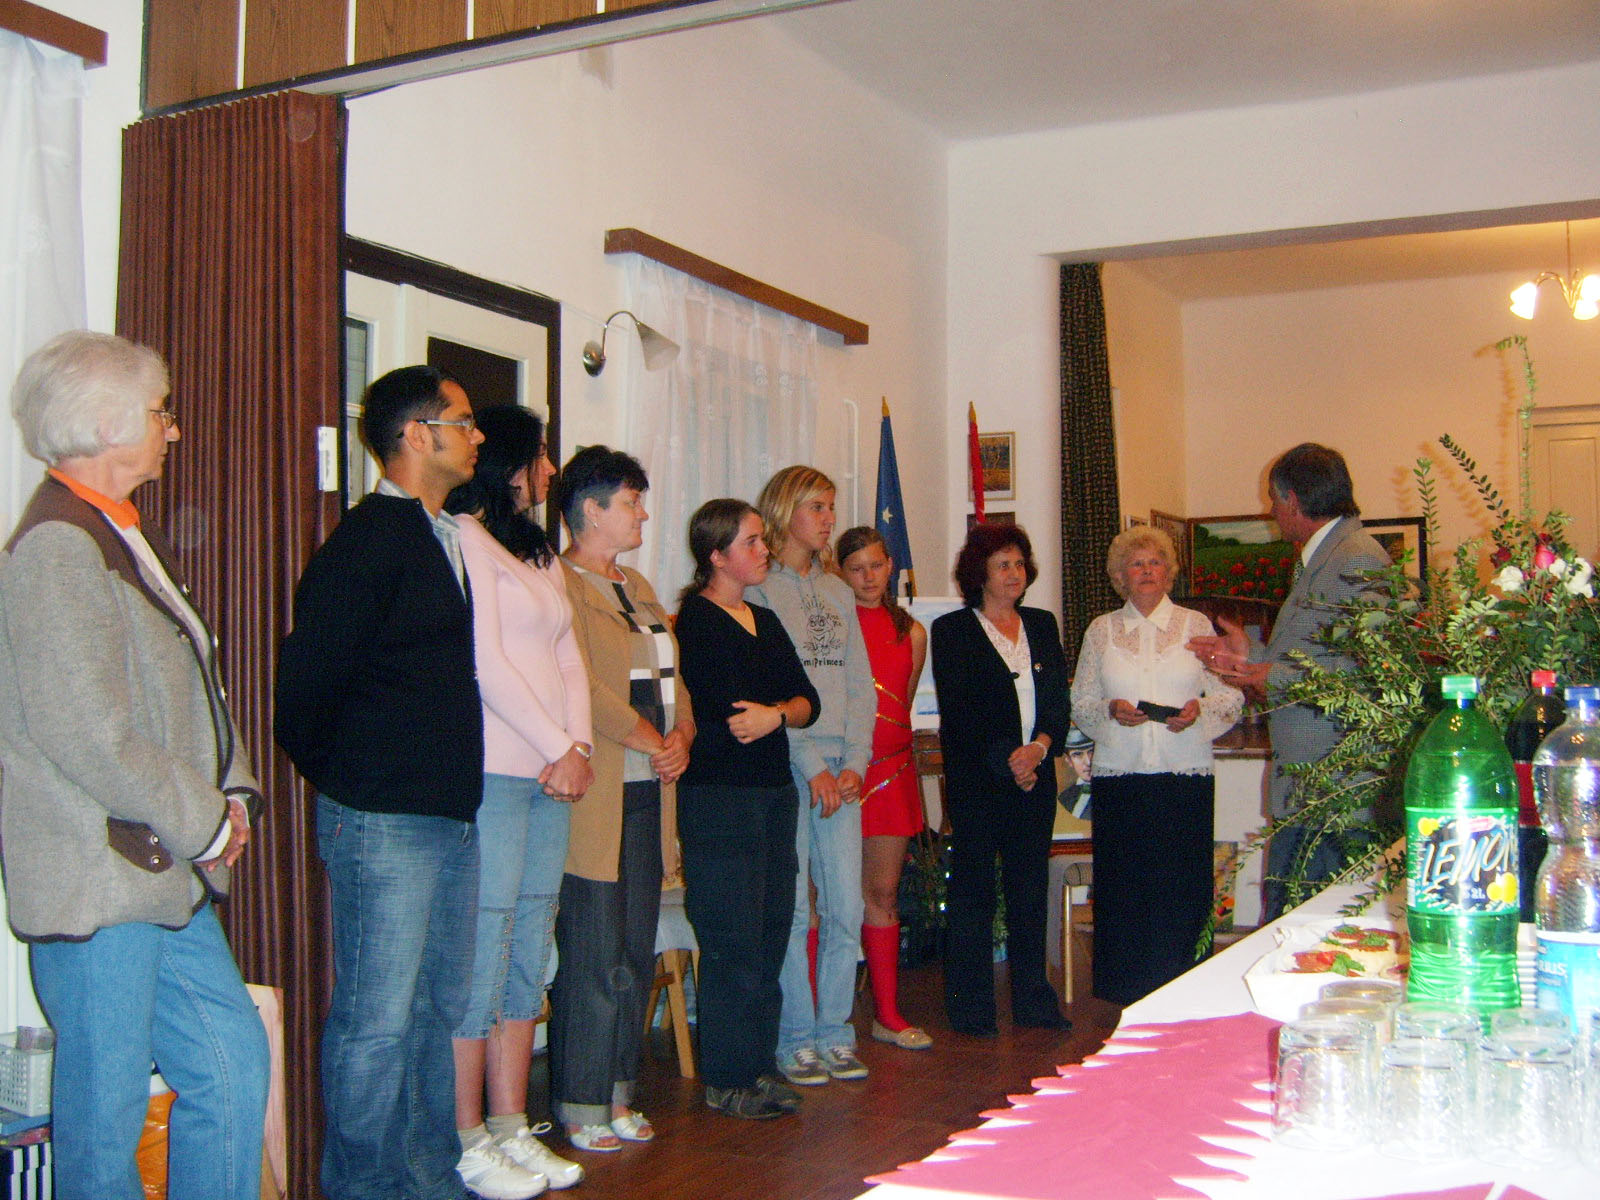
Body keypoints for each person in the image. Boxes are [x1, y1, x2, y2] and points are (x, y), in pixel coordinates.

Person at [0, 332, 268, 1200]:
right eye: (159, 412)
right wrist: (207, 821)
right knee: (104, 1124)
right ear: (107, 424)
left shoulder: (110, 530)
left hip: (157, 871)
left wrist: (233, 796)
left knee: (231, 1067)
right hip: (99, 879)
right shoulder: (57, 545)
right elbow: (88, 734)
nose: (172, 430)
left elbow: (190, 690)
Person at [276, 365, 492, 1200]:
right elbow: (304, 695)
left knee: (437, 1012)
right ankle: (363, 1186)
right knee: (376, 1021)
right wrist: (358, 787)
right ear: (416, 435)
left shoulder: (442, 534)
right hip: (385, 820)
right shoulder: (367, 542)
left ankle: (429, 1176)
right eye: (463, 421)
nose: (477, 436)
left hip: (450, 814)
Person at [442, 406, 589, 1195]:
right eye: (540, 454)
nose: (550, 468)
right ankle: (465, 1136)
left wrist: (580, 748)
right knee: (485, 946)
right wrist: (555, 745)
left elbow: (568, 656)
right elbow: (486, 663)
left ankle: (510, 1124)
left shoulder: (537, 551)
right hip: (499, 773)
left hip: (553, 776)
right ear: (508, 462)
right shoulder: (466, 537)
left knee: (530, 944)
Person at [550, 446, 694, 1151]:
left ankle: (618, 1093)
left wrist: (682, 735)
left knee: (635, 951)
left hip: (650, 792)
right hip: (599, 796)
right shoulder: (560, 582)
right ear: (591, 509)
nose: (642, 514)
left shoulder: (635, 583)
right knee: (594, 954)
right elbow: (578, 683)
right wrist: (648, 737)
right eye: (631, 502)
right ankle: (580, 1104)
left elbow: (673, 678)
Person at [1187, 442, 1390, 920]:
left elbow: (1370, 671)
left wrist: (1268, 673)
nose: (1270, 512)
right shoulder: (1328, 556)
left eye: (1273, 500)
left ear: (1293, 500)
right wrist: (1251, 655)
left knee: (1309, 932)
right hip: (1311, 793)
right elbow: (1321, 660)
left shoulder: (1356, 558)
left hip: (1333, 794)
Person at [675, 500, 819, 1119]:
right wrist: (771, 713)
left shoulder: (764, 617)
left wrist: (776, 715)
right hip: (719, 797)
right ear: (717, 555)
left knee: (770, 931)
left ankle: (759, 1065)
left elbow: (806, 700)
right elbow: (726, 713)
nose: (766, 550)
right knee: (731, 936)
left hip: (772, 793)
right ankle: (728, 1077)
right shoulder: (695, 621)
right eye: (753, 542)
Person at [1070, 526, 1243, 1005]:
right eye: (1137, 563)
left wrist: (1199, 712)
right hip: (1120, 776)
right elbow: (1081, 701)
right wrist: (1110, 710)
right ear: (1120, 575)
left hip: (1183, 776)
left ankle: (1184, 990)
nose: (1147, 570)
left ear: (1169, 571)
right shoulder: (1100, 630)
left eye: (1155, 561)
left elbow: (1230, 695)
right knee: (1124, 888)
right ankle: (1125, 994)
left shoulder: (1195, 625)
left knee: (1181, 888)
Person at [751, 467, 876, 1086]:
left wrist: (855, 764)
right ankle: (795, 1037)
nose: (829, 519)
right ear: (785, 511)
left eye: (831, 507)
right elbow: (771, 692)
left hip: (841, 772)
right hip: (789, 764)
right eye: (817, 507)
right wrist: (815, 766)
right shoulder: (760, 590)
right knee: (795, 911)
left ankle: (835, 1032)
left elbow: (858, 686)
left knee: (846, 907)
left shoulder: (837, 591)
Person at [931, 523, 1070, 1036]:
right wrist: (1011, 762)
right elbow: (961, 713)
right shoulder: (952, 630)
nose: (1015, 573)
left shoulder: (1042, 624)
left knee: (1030, 891)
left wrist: (1038, 751)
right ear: (979, 574)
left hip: (1035, 775)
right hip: (979, 782)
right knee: (973, 894)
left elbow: (1057, 703)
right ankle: (971, 1008)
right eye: (1003, 565)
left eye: (1019, 563)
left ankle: (1034, 1001)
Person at [835, 525, 932, 1050]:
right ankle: (819, 1019)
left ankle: (887, 1014)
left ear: (890, 565)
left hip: (890, 774)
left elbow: (901, 706)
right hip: (838, 773)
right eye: (856, 569)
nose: (868, 577)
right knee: (823, 897)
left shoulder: (912, 633)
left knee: (882, 893)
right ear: (840, 573)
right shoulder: (833, 624)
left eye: (876, 565)